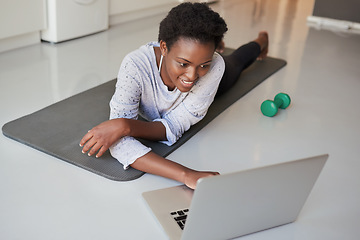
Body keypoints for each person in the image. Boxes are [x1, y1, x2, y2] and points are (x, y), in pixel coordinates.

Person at [79, 2, 268, 189]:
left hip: (212, 87)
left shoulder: (214, 68)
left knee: (237, 62)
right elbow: (119, 143)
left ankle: (261, 41)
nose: (192, 76)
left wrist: (125, 126)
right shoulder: (134, 66)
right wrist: (186, 175)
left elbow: (173, 125)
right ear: (163, 47)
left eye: (203, 64)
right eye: (183, 63)